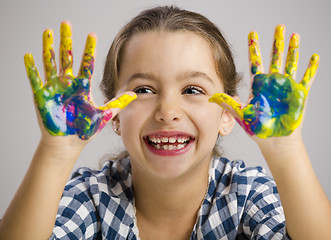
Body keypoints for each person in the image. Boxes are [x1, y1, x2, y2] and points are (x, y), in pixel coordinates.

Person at [0, 5, 330, 240]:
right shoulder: (92, 195)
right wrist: (56, 151)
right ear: (112, 114)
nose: (167, 110)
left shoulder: (246, 194)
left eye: (193, 89)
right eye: (143, 89)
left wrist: (286, 149)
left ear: (227, 114)